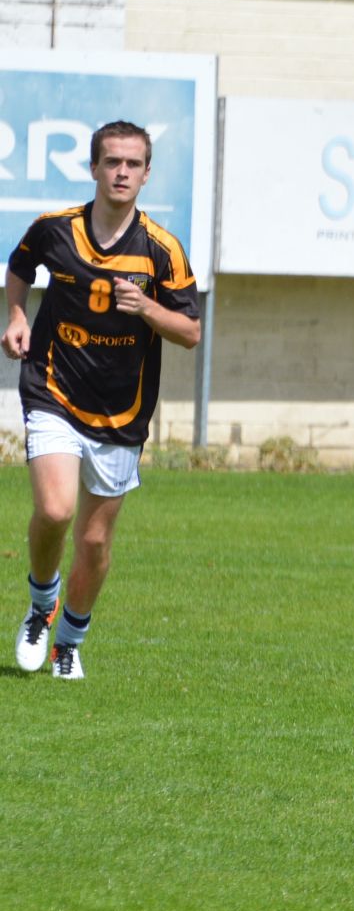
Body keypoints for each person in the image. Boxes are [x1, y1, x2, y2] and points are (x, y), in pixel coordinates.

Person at [3, 119, 201, 680]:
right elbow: (19, 268)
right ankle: (41, 604)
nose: (121, 172)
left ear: (145, 174)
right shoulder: (55, 230)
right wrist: (18, 316)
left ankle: (69, 641)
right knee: (55, 509)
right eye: (111, 161)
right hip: (53, 388)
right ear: (93, 168)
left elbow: (190, 332)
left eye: (132, 164)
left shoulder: (161, 250)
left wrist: (147, 310)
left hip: (121, 410)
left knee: (93, 540)